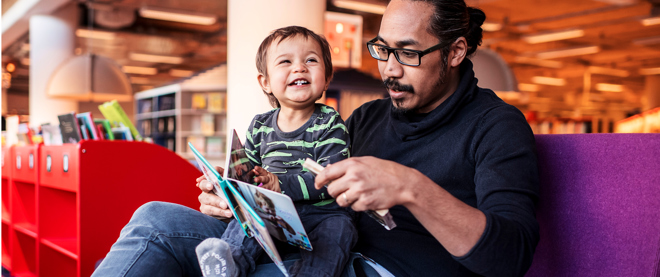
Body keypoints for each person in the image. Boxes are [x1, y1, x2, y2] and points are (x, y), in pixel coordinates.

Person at [93, 0, 539, 276]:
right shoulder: (367, 117)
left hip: (363, 265)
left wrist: (411, 188)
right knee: (153, 222)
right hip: (299, 243)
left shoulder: (496, 126)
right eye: (382, 50)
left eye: (407, 53)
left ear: (456, 51)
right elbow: (309, 188)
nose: (388, 69)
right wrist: (240, 198)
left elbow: (509, 256)